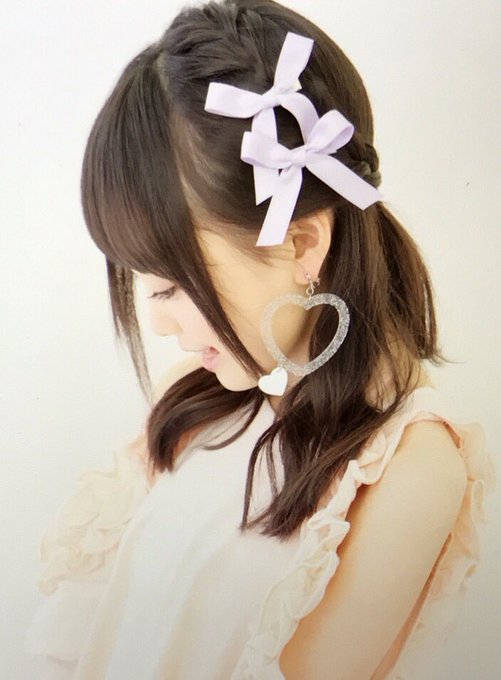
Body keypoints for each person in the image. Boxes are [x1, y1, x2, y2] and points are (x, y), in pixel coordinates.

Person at [24, 0, 496, 678]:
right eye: (145, 287)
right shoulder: (197, 403)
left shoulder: (409, 468)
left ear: (301, 243)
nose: (158, 323)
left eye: (170, 288)